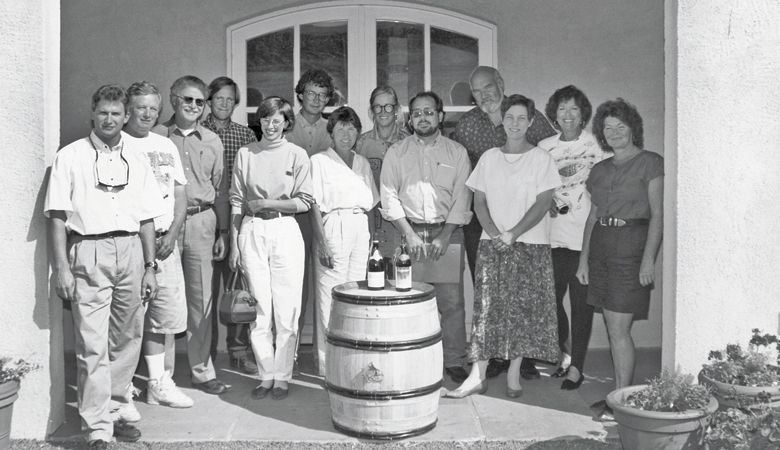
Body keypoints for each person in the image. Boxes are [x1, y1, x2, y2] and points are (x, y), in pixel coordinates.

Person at [45, 84, 166, 449]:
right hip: (89, 252)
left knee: (127, 340)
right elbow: (56, 217)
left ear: (125, 116)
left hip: (131, 250)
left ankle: (115, 409)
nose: (110, 119)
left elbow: (147, 218)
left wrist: (149, 266)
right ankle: (97, 427)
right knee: (92, 344)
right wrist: (62, 268)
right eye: (103, 113)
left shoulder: (139, 157)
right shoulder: (71, 156)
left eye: (116, 113)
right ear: (92, 114)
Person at [444, 94, 561, 398]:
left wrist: (514, 233)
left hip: (530, 245)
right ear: (502, 121)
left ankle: (513, 373)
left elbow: (543, 201)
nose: (515, 124)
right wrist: (496, 233)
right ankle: (476, 375)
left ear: (531, 122)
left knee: (522, 311)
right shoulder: (489, 158)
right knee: (487, 311)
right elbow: (479, 199)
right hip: (492, 244)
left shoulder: (541, 159)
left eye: (522, 118)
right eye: (510, 117)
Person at [575, 98, 663, 421]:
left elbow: (658, 216)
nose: (614, 132)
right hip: (602, 247)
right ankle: (618, 395)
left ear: (632, 128)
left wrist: (648, 260)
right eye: (607, 127)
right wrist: (584, 260)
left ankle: (622, 401)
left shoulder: (651, 163)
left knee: (619, 328)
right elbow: (592, 218)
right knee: (613, 326)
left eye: (620, 126)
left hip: (632, 246)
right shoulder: (599, 170)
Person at [380, 91, 472, 384]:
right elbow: (389, 194)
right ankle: (409, 359)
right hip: (406, 234)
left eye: (429, 112)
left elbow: (462, 196)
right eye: (417, 113)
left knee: (451, 302)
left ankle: (455, 360)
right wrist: (408, 234)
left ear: (440, 116)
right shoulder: (397, 152)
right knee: (407, 300)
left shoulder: (457, 153)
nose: (423, 117)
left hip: (447, 234)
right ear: (410, 118)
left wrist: (445, 235)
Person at [229, 96, 314, 400]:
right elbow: (237, 200)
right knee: (260, 309)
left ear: (287, 122)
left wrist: (268, 202)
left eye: (278, 120)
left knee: (287, 307)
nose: (271, 125)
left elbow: (305, 201)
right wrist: (236, 243)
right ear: (260, 121)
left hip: (284, 229)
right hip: (252, 230)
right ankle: (266, 374)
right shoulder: (246, 154)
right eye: (266, 119)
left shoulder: (297, 154)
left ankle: (282, 376)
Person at [152, 75, 230, 395]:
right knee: (165, 301)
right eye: (187, 100)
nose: (194, 106)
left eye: (200, 102)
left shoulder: (212, 140)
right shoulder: (156, 136)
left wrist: (223, 231)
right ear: (173, 100)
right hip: (166, 225)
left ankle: (201, 371)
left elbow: (220, 188)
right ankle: (163, 377)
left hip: (201, 222)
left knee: (201, 302)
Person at [124, 81, 193, 408]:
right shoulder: (117, 143)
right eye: (141, 107)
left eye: (154, 107)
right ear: (128, 109)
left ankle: (158, 384)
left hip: (166, 241)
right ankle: (120, 388)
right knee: (127, 317)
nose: (148, 113)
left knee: (162, 318)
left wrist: (174, 232)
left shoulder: (164, 144)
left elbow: (180, 192)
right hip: (131, 244)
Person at [538, 85, 605, 390]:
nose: (567, 114)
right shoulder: (543, 147)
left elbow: (606, 188)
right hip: (551, 237)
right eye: (562, 108)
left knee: (581, 306)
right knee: (550, 302)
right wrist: (545, 199)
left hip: (584, 240)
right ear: (554, 112)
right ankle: (565, 354)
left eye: (574, 109)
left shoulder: (596, 146)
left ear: (583, 114)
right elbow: (536, 187)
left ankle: (577, 366)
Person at [310, 106, 378, 376]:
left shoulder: (362, 163)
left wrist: (372, 242)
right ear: (331, 132)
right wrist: (323, 243)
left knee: (354, 297)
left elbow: (370, 205)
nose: (346, 133)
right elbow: (314, 205)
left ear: (358, 132)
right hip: (333, 226)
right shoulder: (319, 161)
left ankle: (350, 360)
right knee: (330, 297)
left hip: (360, 228)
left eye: (351, 128)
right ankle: (329, 366)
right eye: (340, 128)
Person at [202, 76, 259, 375]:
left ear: (235, 103)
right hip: (206, 217)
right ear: (209, 101)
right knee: (207, 293)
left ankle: (238, 350)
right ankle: (207, 353)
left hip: (236, 218)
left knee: (237, 287)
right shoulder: (198, 133)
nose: (224, 104)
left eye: (229, 99)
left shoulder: (245, 135)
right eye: (218, 98)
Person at [286, 69, 335, 370]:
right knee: (295, 285)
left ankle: (326, 354)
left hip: (327, 216)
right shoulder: (286, 124)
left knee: (327, 284)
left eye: (323, 95)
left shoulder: (334, 128)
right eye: (311, 93)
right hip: (294, 215)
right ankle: (287, 354)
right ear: (300, 94)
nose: (317, 99)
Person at [355, 85, 410, 259]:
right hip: (371, 226)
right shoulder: (360, 144)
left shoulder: (409, 143)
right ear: (371, 111)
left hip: (402, 225)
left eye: (388, 106)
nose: (383, 111)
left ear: (397, 109)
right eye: (378, 107)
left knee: (401, 279)